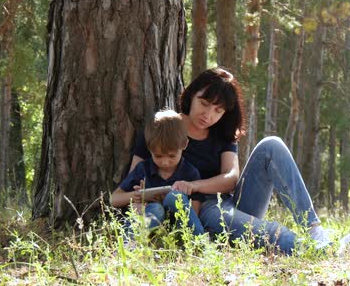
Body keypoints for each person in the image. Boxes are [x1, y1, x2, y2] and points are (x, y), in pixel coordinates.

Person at [130, 68, 331, 254]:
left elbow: (231, 178)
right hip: (198, 213)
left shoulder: (221, 133)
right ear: (191, 95)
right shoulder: (163, 127)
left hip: (227, 203)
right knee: (270, 231)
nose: (208, 115)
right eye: (204, 104)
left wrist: (192, 185)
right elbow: (134, 179)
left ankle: (314, 231)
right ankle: (316, 251)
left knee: (272, 145)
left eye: (218, 110)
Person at [112, 109, 205, 237]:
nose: (165, 162)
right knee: (156, 208)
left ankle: (199, 241)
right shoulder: (143, 169)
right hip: (149, 219)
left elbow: (194, 211)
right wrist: (136, 197)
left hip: (177, 227)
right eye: (158, 156)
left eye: (172, 156)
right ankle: (131, 241)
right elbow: (114, 199)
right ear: (149, 149)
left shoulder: (190, 173)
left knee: (175, 197)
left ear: (184, 145)